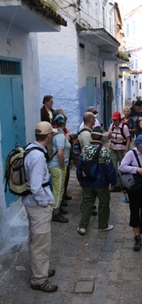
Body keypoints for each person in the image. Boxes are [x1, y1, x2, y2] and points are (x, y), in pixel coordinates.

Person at [22, 121, 58, 292]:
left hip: (32, 203)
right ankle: (39, 279)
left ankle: (41, 269)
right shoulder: (37, 156)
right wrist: (45, 203)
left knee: (38, 240)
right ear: (49, 136)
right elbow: (36, 186)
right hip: (37, 206)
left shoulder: (31, 148)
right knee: (41, 242)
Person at [76, 126, 116, 235]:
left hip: (88, 182)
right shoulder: (105, 151)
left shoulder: (85, 150)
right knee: (103, 203)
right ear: (101, 138)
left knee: (87, 203)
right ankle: (103, 225)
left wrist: (80, 179)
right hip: (102, 183)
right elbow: (110, 169)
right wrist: (113, 181)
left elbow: (79, 166)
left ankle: (83, 226)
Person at [119, 134, 142, 252]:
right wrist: (136, 169)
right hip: (134, 187)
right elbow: (122, 167)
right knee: (134, 210)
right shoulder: (131, 154)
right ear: (137, 145)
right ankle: (137, 237)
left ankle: (140, 221)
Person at [48, 114, 71, 223]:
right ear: (64, 123)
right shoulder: (60, 136)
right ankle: (55, 212)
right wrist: (62, 165)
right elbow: (60, 153)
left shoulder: (56, 133)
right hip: (58, 166)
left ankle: (58, 207)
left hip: (55, 165)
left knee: (59, 188)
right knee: (58, 189)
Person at [108, 111, 130, 192]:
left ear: (119, 119)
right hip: (113, 148)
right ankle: (115, 184)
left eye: (115, 120)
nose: (114, 122)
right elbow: (108, 138)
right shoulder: (112, 126)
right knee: (113, 167)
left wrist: (126, 149)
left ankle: (124, 184)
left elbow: (128, 139)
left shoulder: (124, 127)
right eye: (113, 120)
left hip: (121, 149)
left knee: (122, 167)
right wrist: (109, 135)